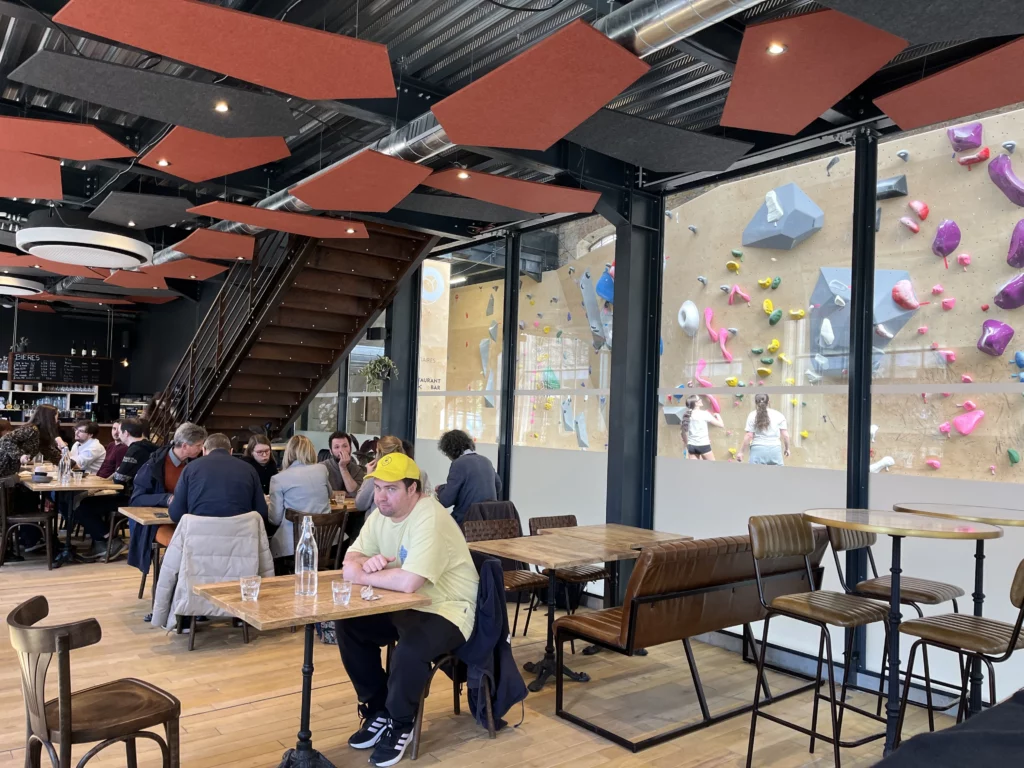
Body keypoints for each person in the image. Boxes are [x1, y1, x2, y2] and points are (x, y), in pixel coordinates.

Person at [339, 453, 479, 767]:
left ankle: (401, 721)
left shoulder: (430, 516)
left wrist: (364, 574)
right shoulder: (380, 516)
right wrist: (364, 563)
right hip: (405, 606)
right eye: (377, 488)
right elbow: (351, 558)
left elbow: (409, 581)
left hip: (448, 608)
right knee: (349, 627)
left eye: (391, 489)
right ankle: (378, 710)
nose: (381, 497)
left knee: (410, 649)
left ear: (413, 489)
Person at [127, 422, 207, 571]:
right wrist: (166, 498)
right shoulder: (154, 465)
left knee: (207, 546)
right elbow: (137, 499)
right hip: (159, 523)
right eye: (198, 445)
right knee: (181, 547)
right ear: (184, 446)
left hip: (188, 521)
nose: (201, 449)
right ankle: (166, 585)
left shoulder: (195, 464)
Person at [76, 418, 158, 559]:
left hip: (133, 498)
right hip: (144, 494)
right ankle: (103, 543)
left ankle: (111, 541)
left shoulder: (135, 450)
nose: (117, 434)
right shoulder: (148, 447)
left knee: (83, 507)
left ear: (125, 433)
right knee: (87, 502)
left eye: (119, 431)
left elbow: (119, 478)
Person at [168, 433, 269, 530]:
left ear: (203, 450)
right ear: (231, 451)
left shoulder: (190, 468)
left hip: (199, 541)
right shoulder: (249, 469)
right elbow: (262, 512)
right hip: (240, 541)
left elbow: (176, 514)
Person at [267, 435, 331, 559]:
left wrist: (269, 505)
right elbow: (330, 494)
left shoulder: (278, 479)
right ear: (311, 451)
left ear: (288, 452)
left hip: (293, 547)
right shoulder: (322, 469)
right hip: (327, 541)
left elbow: (275, 519)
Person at [435, 429, 500, 526]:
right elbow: (498, 486)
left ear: (449, 450)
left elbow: (446, 500)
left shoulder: (458, 464)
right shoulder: (485, 461)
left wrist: (439, 489)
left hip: (467, 521)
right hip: (490, 521)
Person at [0, 403, 64, 478]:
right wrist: (20, 456)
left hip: (9, 471)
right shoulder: (31, 429)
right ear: (48, 418)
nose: (56, 421)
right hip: (3, 468)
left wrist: (70, 464)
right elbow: (5, 439)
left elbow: (49, 451)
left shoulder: (41, 433)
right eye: (55, 417)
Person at [737, 393, 790, 466]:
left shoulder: (752, 415)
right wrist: (787, 449)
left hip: (757, 451)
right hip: (775, 451)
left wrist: (741, 452)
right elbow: (786, 435)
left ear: (756, 402)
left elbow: (749, 435)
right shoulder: (779, 415)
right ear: (768, 402)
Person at [679, 395, 724, 461]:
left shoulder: (686, 416)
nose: (701, 400)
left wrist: (687, 444)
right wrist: (718, 415)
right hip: (704, 445)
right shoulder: (704, 414)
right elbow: (721, 425)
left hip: (691, 446)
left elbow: (682, 433)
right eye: (699, 399)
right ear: (696, 403)